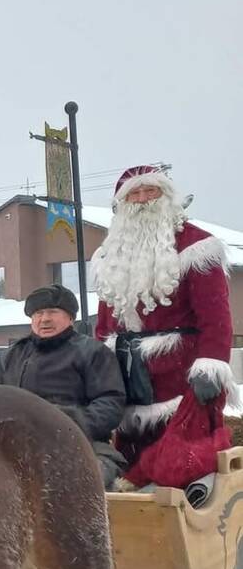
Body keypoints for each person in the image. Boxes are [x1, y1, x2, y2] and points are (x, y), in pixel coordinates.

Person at [92, 165, 239, 490]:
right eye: (135, 193)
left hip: (181, 373)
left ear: (166, 196)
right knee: (130, 448)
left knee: (184, 459)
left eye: (151, 191)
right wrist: (97, 367)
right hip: (127, 373)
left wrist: (211, 365)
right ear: (122, 203)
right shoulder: (108, 256)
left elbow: (216, 315)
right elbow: (104, 322)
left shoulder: (197, 246)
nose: (143, 199)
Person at [0, 283, 127, 487]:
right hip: (15, 446)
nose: (44, 319)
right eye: (38, 313)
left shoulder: (92, 353)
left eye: (53, 312)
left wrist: (67, 423)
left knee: (74, 482)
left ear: (70, 317)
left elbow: (110, 402)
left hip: (82, 445)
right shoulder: (11, 356)